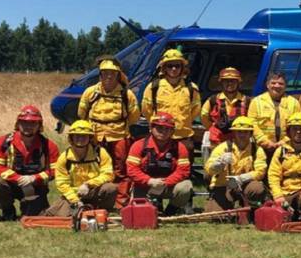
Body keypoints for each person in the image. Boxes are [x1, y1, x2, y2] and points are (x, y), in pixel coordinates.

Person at [77, 57, 140, 207]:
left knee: (120, 171)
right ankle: (96, 199)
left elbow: (134, 117)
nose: (109, 76)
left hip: (119, 136)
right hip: (95, 137)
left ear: (118, 75)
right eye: (105, 73)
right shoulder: (90, 92)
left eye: (112, 73)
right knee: (95, 168)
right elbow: (82, 113)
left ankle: (120, 202)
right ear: (100, 75)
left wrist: (117, 126)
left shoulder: (126, 95)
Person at [0, 105, 60, 220]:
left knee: (36, 217)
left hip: (35, 185)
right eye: (24, 123)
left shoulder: (49, 146)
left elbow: (55, 170)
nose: (28, 126)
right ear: (18, 124)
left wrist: (35, 178)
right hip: (9, 183)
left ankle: (30, 206)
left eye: (32, 123)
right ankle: (7, 209)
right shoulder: (3, 142)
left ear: (39, 126)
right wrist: (17, 178)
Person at [126, 112, 194, 215]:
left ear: (172, 131)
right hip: (145, 185)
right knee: (141, 214)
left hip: (168, 185)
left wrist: (166, 182)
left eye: (168, 129)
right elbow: (132, 170)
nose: (163, 132)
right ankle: (153, 206)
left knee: (186, 186)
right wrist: (149, 181)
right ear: (151, 128)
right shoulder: (138, 145)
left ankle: (171, 211)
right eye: (159, 128)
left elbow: (183, 171)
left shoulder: (180, 147)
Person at [45, 120, 117, 216]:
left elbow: (108, 174)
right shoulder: (64, 157)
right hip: (74, 194)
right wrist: (75, 200)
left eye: (84, 136)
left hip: (93, 190)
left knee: (110, 188)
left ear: (90, 137)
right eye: (77, 136)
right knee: (63, 216)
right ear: (71, 138)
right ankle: (77, 209)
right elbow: (62, 183)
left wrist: (88, 185)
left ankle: (104, 210)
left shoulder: (100, 153)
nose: (80, 139)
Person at [140, 49, 201, 155]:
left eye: (177, 66)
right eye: (170, 65)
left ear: (182, 68)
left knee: (185, 170)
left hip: (183, 137)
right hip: (159, 138)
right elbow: (146, 110)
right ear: (164, 68)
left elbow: (195, 111)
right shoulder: (154, 87)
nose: (174, 69)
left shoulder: (191, 88)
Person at [203, 116, 267, 212]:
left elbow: (261, 171)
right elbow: (209, 168)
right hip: (224, 186)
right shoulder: (223, 147)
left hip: (245, 185)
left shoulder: (257, 150)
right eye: (239, 132)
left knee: (257, 188)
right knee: (216, 216)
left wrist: (241, 178)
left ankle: (249, 208)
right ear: (234, 133)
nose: (242, 135)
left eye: (245, 132)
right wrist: (219, 164)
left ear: (251, 134)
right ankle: (227, 206)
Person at [248, 72, 301, 163]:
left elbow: (299, 125)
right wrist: (265, 142)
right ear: (267, 85)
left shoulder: (294, 103)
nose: (277, 86)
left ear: (285, 86)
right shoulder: (256, 101)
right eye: (273, 83)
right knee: (261, 173)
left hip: (287, 147)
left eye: (281, 83)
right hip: (261, 148)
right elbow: (251, 124)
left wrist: (285, 141)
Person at [200, 67, 250, 160]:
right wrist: (212, 128)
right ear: (221, 82)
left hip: (240, 142)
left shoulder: (247, 101)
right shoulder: (213, 100)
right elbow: (204, 116)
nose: (229, 84)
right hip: (217, 141)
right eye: (226, 81)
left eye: (233, 81)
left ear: (238, 83)